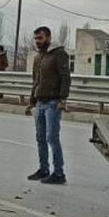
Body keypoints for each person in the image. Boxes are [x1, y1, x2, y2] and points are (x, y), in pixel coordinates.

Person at [26, 26, 71, 184]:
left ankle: (59, 173)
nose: (38, 41)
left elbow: (65, 77)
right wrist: (32, 101)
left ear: (49, 37)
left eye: (40, 38)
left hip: (52, 102)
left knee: (52, 137)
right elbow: (35, 80)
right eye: (36, 39)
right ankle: (43, 169)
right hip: (40, 102)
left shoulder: (58, 54)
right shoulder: (39, 57)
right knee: (40, 138)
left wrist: (62, 99)